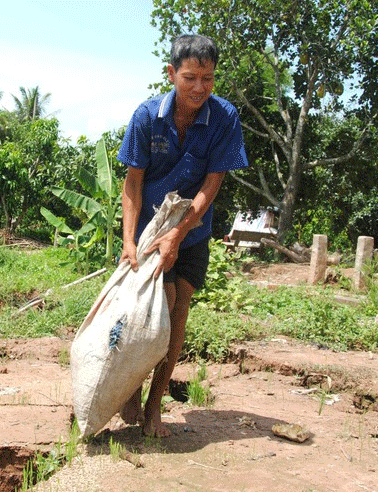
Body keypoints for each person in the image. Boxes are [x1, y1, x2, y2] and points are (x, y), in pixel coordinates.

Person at [117, 34, 249, 437]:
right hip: (149, 233)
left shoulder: (224, 117)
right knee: (156, 309)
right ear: (171, 74)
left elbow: (212, 184)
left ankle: (155, 406)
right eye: (190, 77)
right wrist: (128, 241)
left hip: (193, 231)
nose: (199, 88)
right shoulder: (146, 117)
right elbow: (132, 184)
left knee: (178, 314)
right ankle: (130, 387)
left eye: (207, 78)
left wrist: (179, 233)